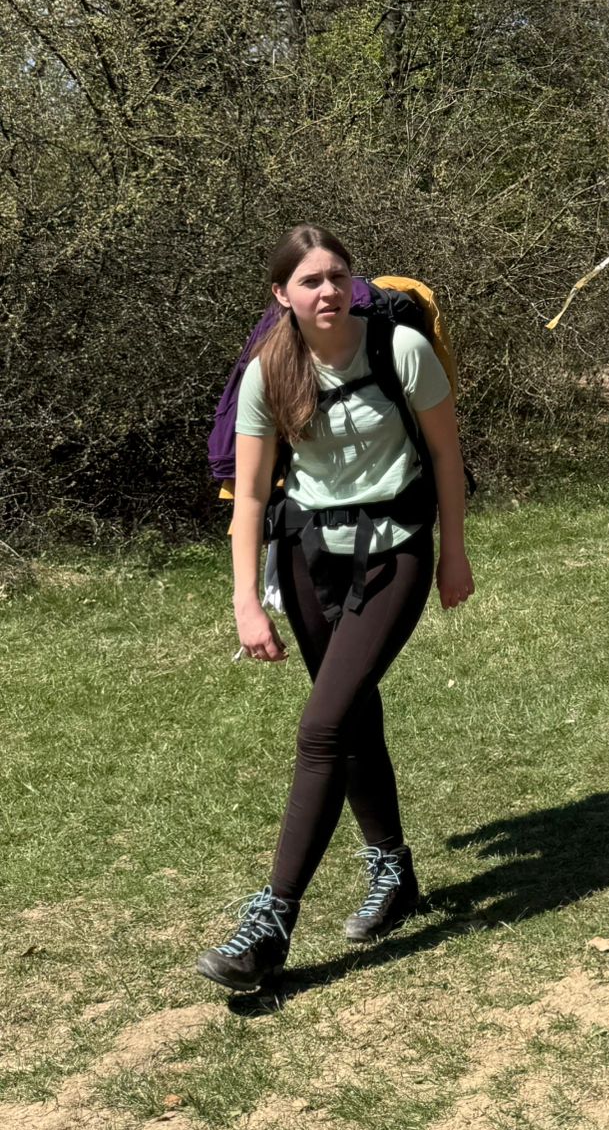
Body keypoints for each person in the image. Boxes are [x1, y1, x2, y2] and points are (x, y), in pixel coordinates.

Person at [195, 227, 474, 991]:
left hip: (395, 551)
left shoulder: (400, 350)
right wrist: (246, 601)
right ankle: (393, 870)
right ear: (281, 295)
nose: (327, 291)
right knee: (349, 713)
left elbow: (446, 456)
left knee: (322, 726)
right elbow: (252, 494)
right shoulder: (270, 369)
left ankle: (270, 924)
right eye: (310, 281)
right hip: (308, 553)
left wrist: (453, 552)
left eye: (337, 276)